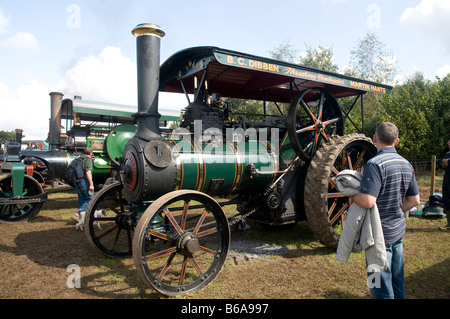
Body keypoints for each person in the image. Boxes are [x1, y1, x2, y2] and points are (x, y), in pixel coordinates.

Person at [351, 122, 420, 299]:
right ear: (396, 141)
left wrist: (352, 197)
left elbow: (367, 201)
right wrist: (395, 209)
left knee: (377, 284)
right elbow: (414, 200)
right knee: (397, 279)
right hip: (397, 231)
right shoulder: (406, 164)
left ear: (374, 139)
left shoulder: (374, 164)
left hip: (376, 235)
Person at [71, 147, 95, 223]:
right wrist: (91, 184)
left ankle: (82, 219)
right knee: (90, 199)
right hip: (84, 182)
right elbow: (88, 172)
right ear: (90, 153)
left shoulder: (77, 160)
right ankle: (77, 214)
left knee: (82, 201)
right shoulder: (88, 160)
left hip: (77, 182)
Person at [439, 138, 450, 230]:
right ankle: (449, 224)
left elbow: (446, 162)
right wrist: (443, 163)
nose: (448, 142)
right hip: (447, 179)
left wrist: (448, 162)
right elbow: (441, 163)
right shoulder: (447, 153)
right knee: (446, 200)